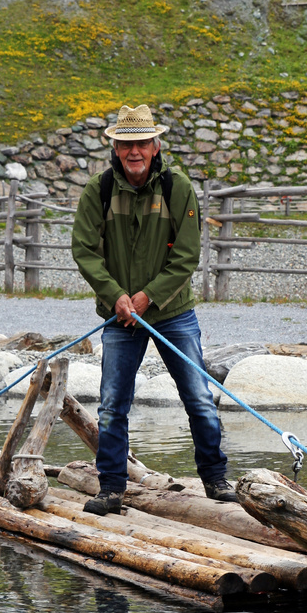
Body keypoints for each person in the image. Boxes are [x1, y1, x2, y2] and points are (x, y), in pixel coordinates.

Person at [71, 102, 236, 515]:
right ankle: (111, 487)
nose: (134, 151)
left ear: (156, 145)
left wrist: (147, 297)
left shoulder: (177, 188)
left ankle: (215, 480)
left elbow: (186, 254)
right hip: (119, 317)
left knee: (198, 397)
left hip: (173, 313)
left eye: (142, 143)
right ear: (115, 146)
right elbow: (84, 251)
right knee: (112, 403)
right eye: (126, 144)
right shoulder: (100, 190)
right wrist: (116, 296)